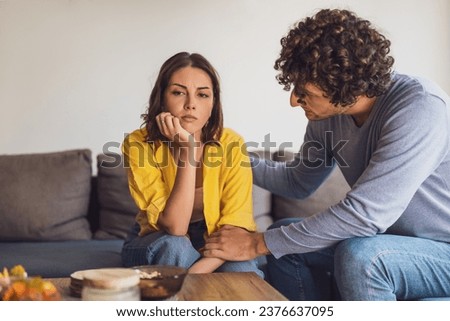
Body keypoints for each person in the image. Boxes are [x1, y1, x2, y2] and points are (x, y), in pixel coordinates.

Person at [203, 9, 450, 300]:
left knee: (363, 257)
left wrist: (256, 243)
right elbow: (298, 182)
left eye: (303, 90)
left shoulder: (419, 106)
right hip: (391, 241)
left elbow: (365, 215)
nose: (294, 100)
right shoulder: (329, 117)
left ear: (343, 84)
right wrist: (229, 157)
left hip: (442, 249)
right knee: (286, 242)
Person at [121, 52, 263, 278]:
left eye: (203, 95)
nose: (191, 105)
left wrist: (191, 276)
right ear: (162, 98)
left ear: (213, 103)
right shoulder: (138, 143)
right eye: (178, 93)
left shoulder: (232, 144)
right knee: (175, 247)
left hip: (214, 237)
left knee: (241, 269)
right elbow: (175, 227)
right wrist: (188, 151)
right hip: (158, 239)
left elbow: (235, 229)